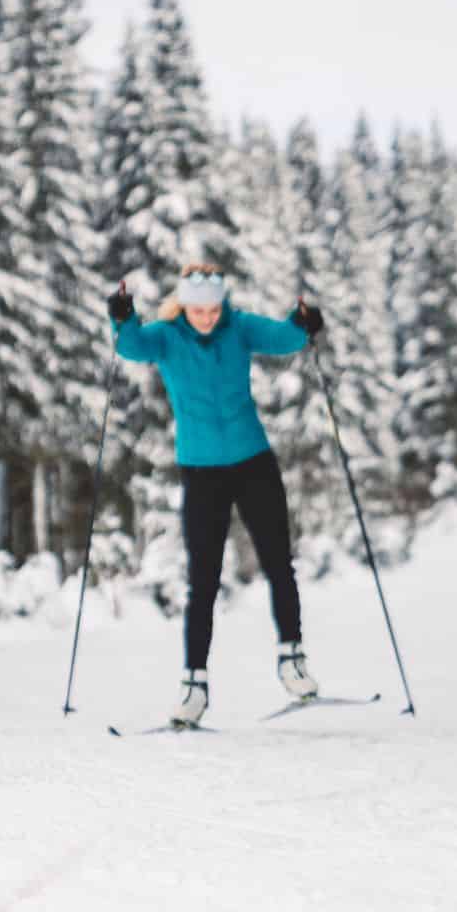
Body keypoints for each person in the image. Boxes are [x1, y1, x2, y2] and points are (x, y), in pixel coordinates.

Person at [107, 263, 326, 727]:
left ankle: (292, 659)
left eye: (212, 309)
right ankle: (194, 686)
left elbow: (284, 337)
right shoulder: (166, 337)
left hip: (253, 462)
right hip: (202, 472)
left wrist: (302, 321)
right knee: (202, 582)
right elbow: (130, 345)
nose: (206, 317)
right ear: (184, 305)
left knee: (277, 562)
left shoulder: (239, 327)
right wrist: (122, 316)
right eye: (198, 310)